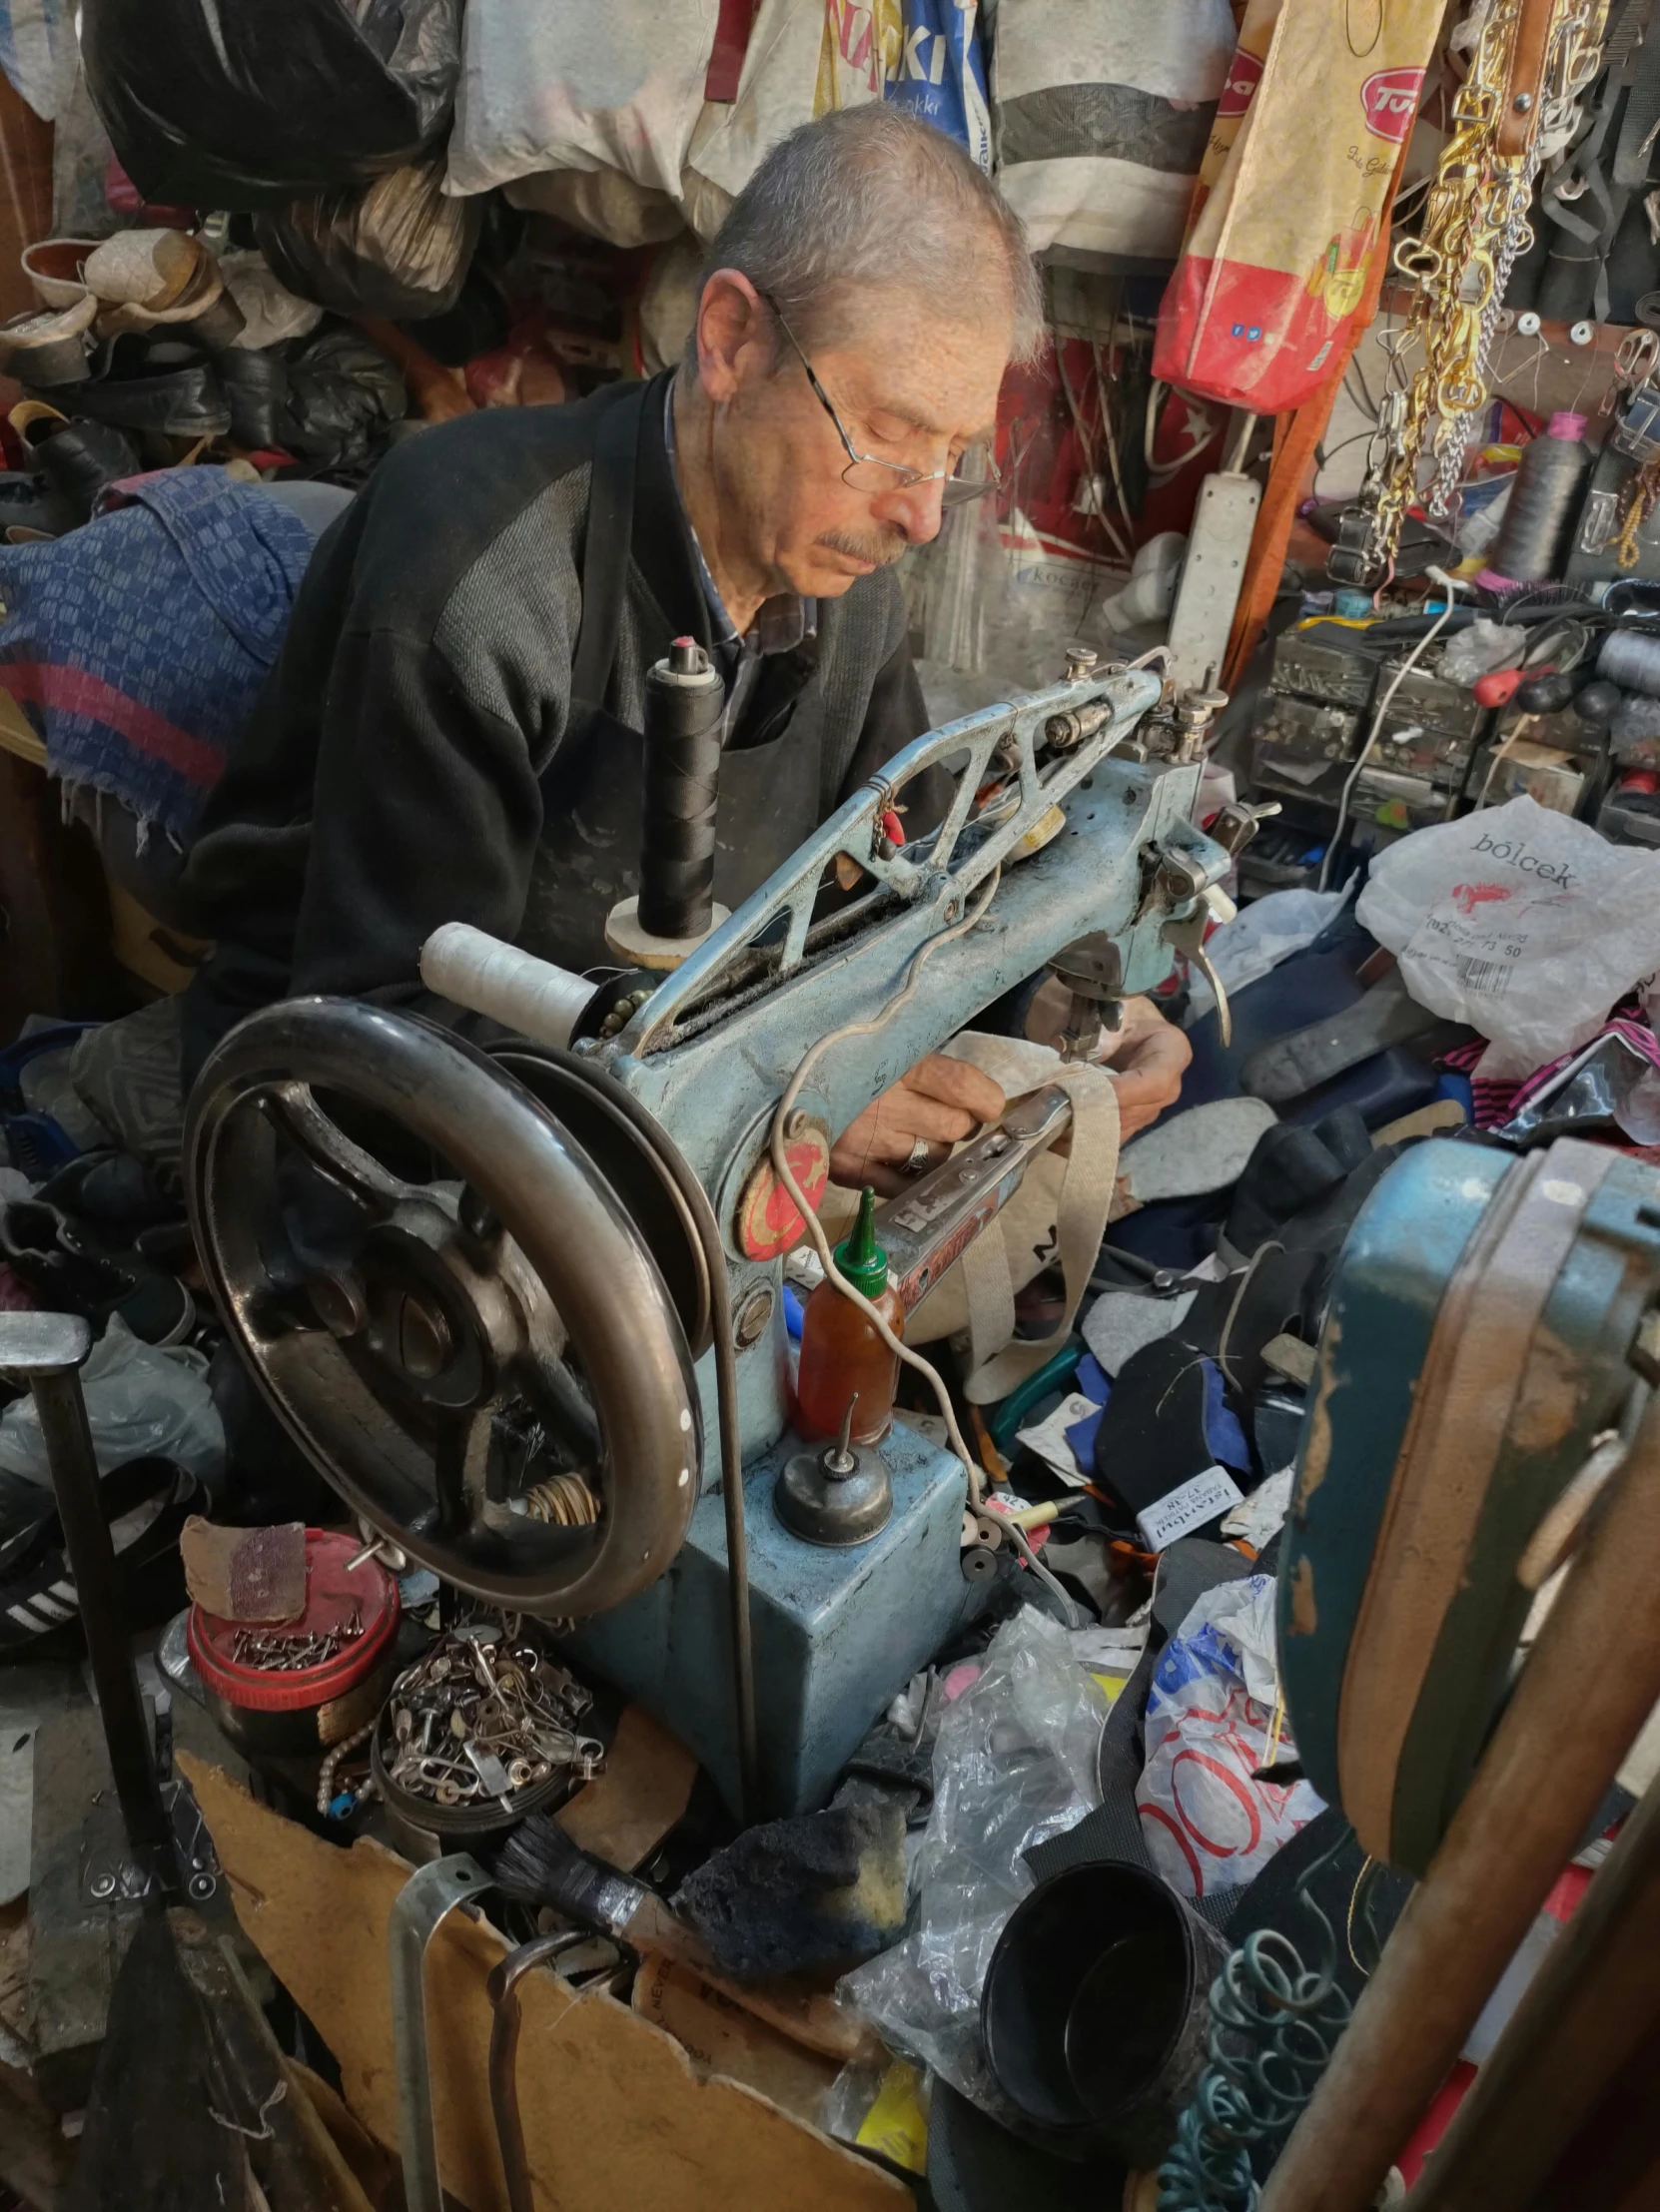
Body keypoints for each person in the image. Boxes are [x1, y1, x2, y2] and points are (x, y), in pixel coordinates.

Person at [179, 105, 1190, 1190]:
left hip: (667, 1077)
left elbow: (904, 889)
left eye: (955, 454)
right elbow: (396, 1048)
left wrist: (1040, 1001)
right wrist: (774, 1112)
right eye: (892, 436)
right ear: (730, 341)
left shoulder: (841, 582)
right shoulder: (479, 573)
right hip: (352, 1131)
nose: (925, 516)